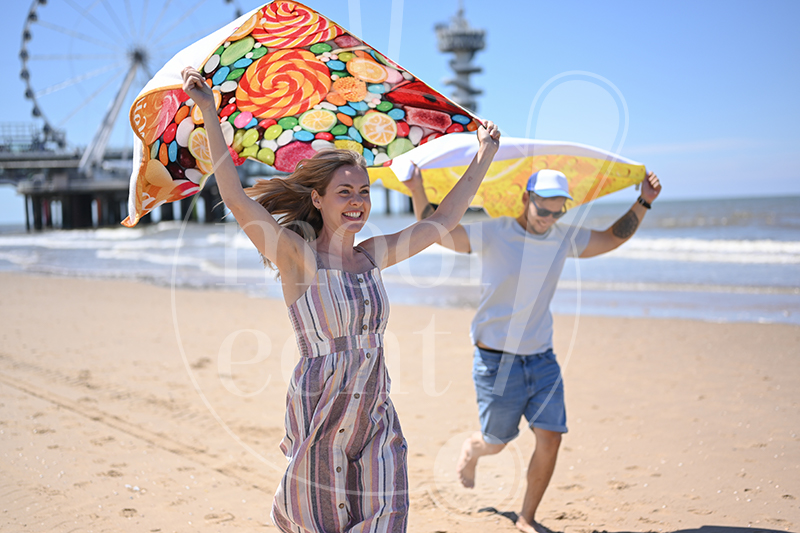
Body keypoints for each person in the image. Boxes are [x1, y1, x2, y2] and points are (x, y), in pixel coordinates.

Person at [181, 66, 500, 533]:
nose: (358, 201)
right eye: (345, 192)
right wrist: (209, 110)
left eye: (365, 192)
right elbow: (236, 197)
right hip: (321, 412)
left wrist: (484, 155)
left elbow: (442, 221)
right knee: (322, 522)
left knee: (386, 516)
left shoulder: (372, 256)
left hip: (374, 410)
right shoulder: (297, 258)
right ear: (318, 199)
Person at [407, 166, 661, 533]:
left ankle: (527, 517)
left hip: (542, 358)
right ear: (527, 199)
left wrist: (643, 202)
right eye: (544, 209)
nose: (550, 218)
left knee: (551, 436)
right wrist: (417, 188)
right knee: (495, 442)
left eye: (559, 211)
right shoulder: (496, 233)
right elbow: (434, 232)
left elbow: (611, 239)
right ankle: (473, 450)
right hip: (495, 362)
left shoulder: (562, 238)